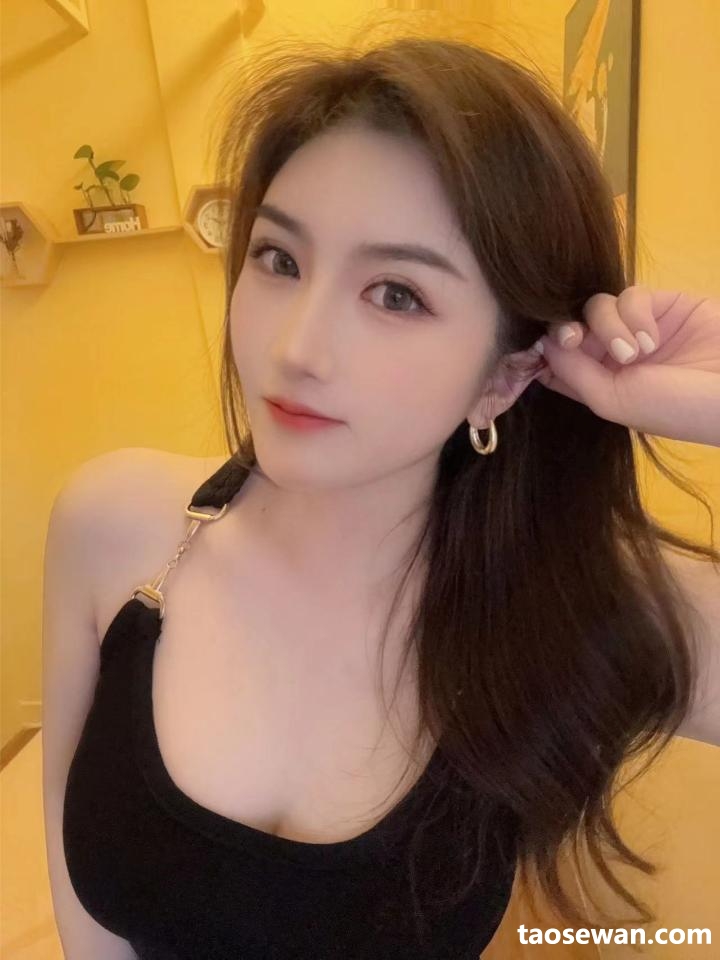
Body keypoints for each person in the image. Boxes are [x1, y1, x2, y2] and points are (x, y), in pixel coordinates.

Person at [43, 34, 720, 959]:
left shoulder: (579, 602)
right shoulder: (113, 526)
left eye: (396, 294)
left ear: (506, 376)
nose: (296, 348)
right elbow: (80, 893)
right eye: (279, 259)